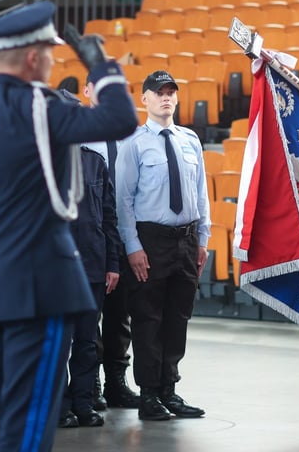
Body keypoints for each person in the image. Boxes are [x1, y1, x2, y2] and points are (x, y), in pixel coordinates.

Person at [0, 1, 137, 452]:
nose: (51, 59)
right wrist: (101, 66)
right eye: (48, 50)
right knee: (29, 424)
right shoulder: (45, 109)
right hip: (40, 293)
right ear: (31, 58)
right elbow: (119, 119)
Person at [115, 70, 211, 421]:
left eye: (171, 92)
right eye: (159, 93)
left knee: (177, 317)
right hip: (150, 241)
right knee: (147, 318)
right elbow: (123, 200)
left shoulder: (190, 140)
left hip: (185, 239)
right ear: (145, 99)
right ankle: (149, 394)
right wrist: (132, 247)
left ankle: (169, 389)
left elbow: (201, 193)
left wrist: (202, 237)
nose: (166, 98)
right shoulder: (134, 144)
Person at [57, 89, 122, 428]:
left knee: (86, 342)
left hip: (93, 267)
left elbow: (108, 218)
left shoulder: (95, 162)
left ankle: (83, 403)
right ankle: (60, 408)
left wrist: (112, 264)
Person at [81, 73, 139, 410]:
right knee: (90, 315)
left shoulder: (132, 135)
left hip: (123, 232)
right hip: (90, 233)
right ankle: (93, 383)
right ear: (87, 91)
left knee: (120, 314)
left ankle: (117, 380)